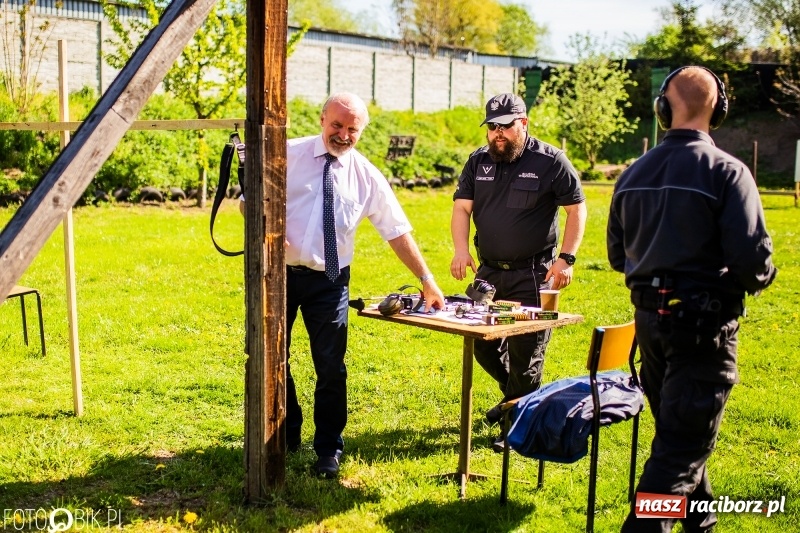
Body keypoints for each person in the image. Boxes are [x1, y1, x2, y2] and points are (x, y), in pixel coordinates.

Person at [240, 92, 445, 478]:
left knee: (331, 367)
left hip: (330, 281)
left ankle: (328, 448)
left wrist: (426, 279)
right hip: (277, 274)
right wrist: (265, 223)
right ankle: (286, 431)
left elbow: (397, 230)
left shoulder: (366, 175)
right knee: (272, 359)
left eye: (353, 129)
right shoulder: (287, 153)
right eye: (337, 125)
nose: (344, 134)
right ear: (322, 120)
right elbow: (246, 199)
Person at [607, 66, 777, 532]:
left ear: (663, 109)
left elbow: (618, 256)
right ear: (717, 111)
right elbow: (753, 267)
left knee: (678, 439)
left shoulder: (631, 174)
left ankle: (700, 525)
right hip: (704, 333)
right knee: (679, 456)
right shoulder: (728, 173)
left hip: (651, 330)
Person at [450, 93, 587, 451]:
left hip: (534, 274)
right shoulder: (478, 161)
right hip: (488, 274)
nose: (498, 133)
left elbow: (576, 210)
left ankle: (515, 427)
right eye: (492, 126)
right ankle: (517, 397)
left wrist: (567, 259)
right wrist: (461, 249)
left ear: (523, 124)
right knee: (482, 345)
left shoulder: (551, 161)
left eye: (506, 126)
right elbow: (462, 209)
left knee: (527, 353)